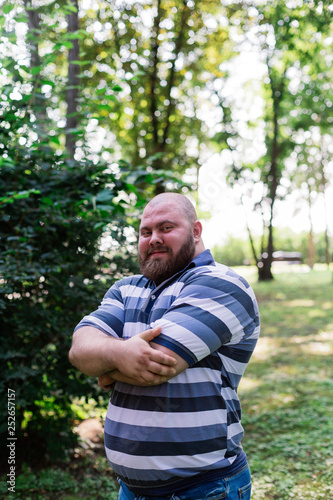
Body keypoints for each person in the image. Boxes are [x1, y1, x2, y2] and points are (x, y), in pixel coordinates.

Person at [69, 192, 260, 500]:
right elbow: (79, 350)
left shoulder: (222, 284)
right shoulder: (125, 289)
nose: (154, 238)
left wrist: (105, 365)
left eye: (166, 228)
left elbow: (155, 366)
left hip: (204, 489)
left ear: (196, 231)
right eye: (146, 232)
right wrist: (119, 354)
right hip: (130, 491)